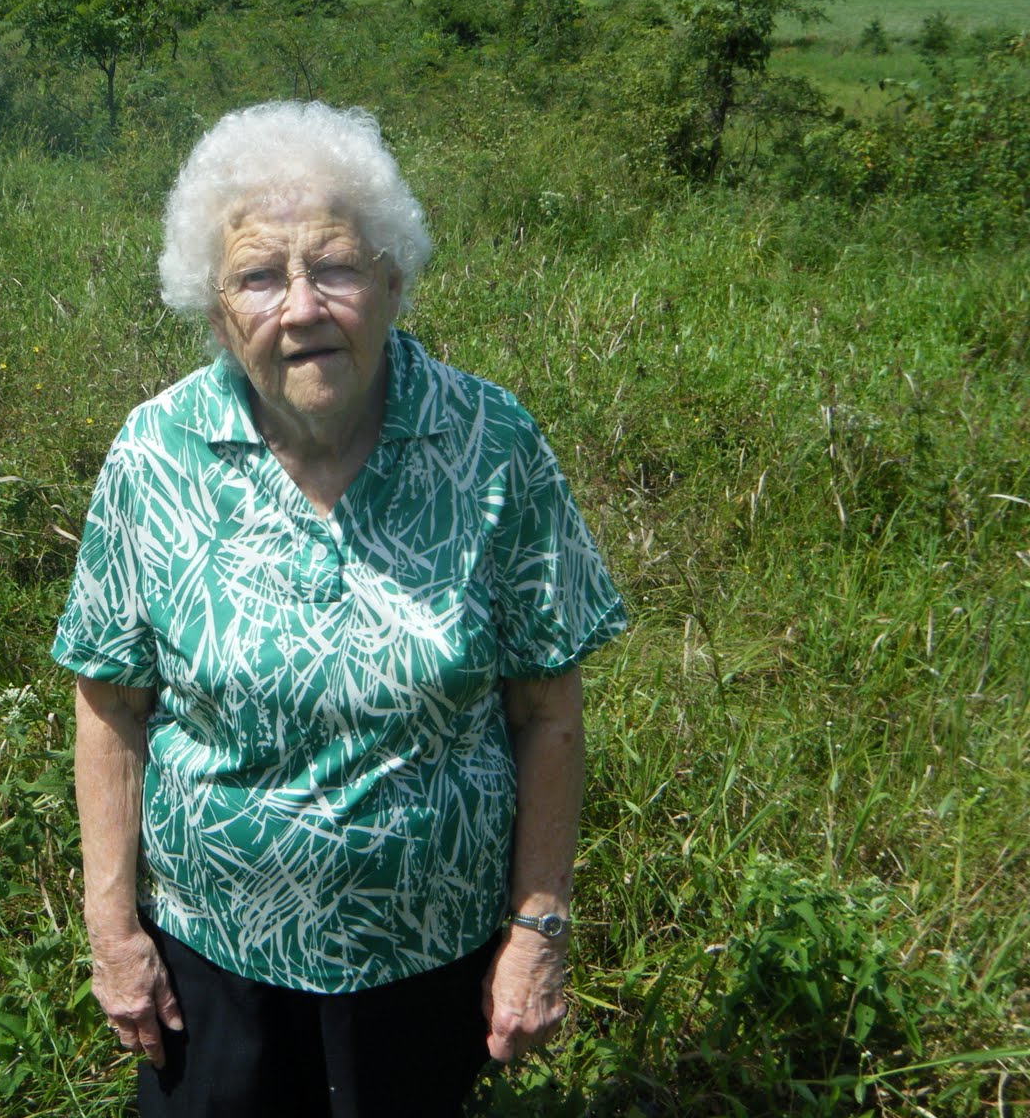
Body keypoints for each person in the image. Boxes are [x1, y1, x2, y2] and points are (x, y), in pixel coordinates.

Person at [51, 100, 626, 1117]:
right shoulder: (154, 455)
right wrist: (113, 933)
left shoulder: (491, 443)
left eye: (336, 267)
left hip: (429, 952)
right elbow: (111, 706)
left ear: (393, 281)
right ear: (214, 311)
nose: (303, 306)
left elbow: (547, 711)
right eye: (259, 278)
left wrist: (537, 931)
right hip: (211, 953)